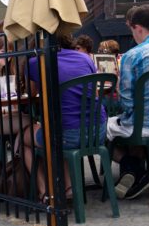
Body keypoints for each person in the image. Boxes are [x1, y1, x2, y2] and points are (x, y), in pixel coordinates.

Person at [23, 32, 104, 201]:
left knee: (25, 140)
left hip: (68, 135)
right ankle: (68, 188)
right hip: (99, 131)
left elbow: (31, 93)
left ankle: (44, 190)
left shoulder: (37, 61)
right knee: (57, 130)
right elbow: (95, 92)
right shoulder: (85, 58)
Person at [106, 4, 149, 200]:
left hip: (146, 127)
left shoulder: (132, 56)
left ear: (138, 28)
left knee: (102, 126)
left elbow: (127, 103)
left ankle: (134, 169)